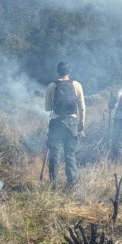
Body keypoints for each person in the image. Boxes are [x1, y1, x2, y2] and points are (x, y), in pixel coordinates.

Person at [44, 61, 86, 189]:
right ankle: (71, 185)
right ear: (69, 72)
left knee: (54, 153)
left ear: (57, 71)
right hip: (72, 123)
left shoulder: (52, 86)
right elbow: (82, 107)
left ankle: (53, 184)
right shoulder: (76, 85)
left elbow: (47, 108)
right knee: (70, 154)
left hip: (56, 122)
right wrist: (81, 123)